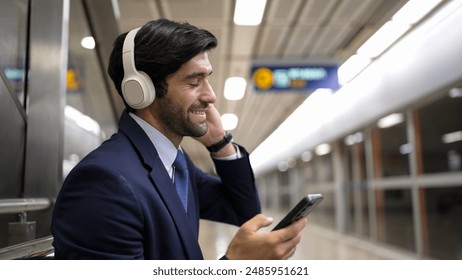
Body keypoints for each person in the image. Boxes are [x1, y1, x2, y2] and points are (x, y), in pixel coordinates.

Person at [51, 19, 306, 260]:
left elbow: (244, 212)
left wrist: (219, 143)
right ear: (141, 89)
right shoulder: (104, 182)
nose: (211, 96)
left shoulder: (176, 165)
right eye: (195, 81)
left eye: (207, 79)